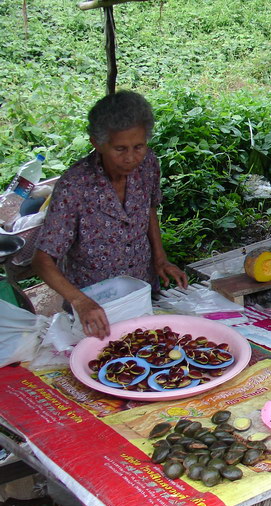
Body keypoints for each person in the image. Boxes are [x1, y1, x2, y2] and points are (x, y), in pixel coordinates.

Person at [33, 90, 187, 339]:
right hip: (94, 303)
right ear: (97, 143)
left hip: (141, 287)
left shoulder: (148, 164)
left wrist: (160, 258)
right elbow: (42, 260)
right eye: (120, 149)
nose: (131, 158)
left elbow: (149, 208)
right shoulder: (75, 185)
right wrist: (80, 301)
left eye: (138, 146)